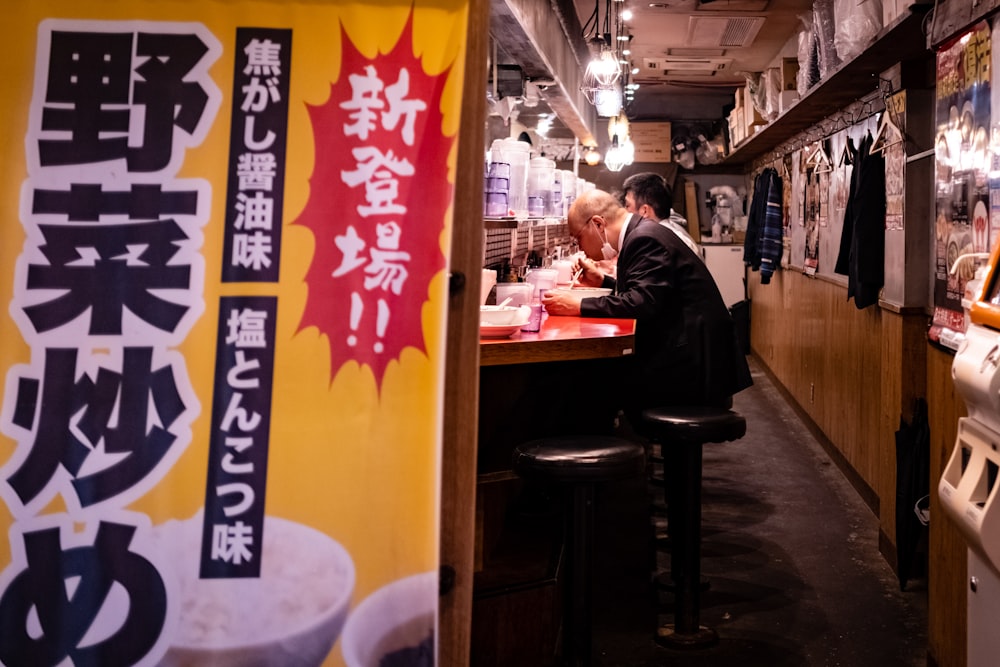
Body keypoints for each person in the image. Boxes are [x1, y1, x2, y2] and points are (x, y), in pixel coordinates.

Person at [543, 189, 752, 419]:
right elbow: (652, 293)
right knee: (589, 378)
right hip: (692, 353)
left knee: (583, 382)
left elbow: (642, 304)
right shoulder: (643, 232)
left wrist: (578, 305)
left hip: (692, 367)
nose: (580, 247)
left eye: (578, 237)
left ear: (598, 224)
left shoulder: (644, 238)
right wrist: (603, 281)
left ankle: (591, 446)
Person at [621, 172, 701, 257]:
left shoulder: (656, 243)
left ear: (644, 211)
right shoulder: (667, 232)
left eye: (627, 206)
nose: (625, 211)